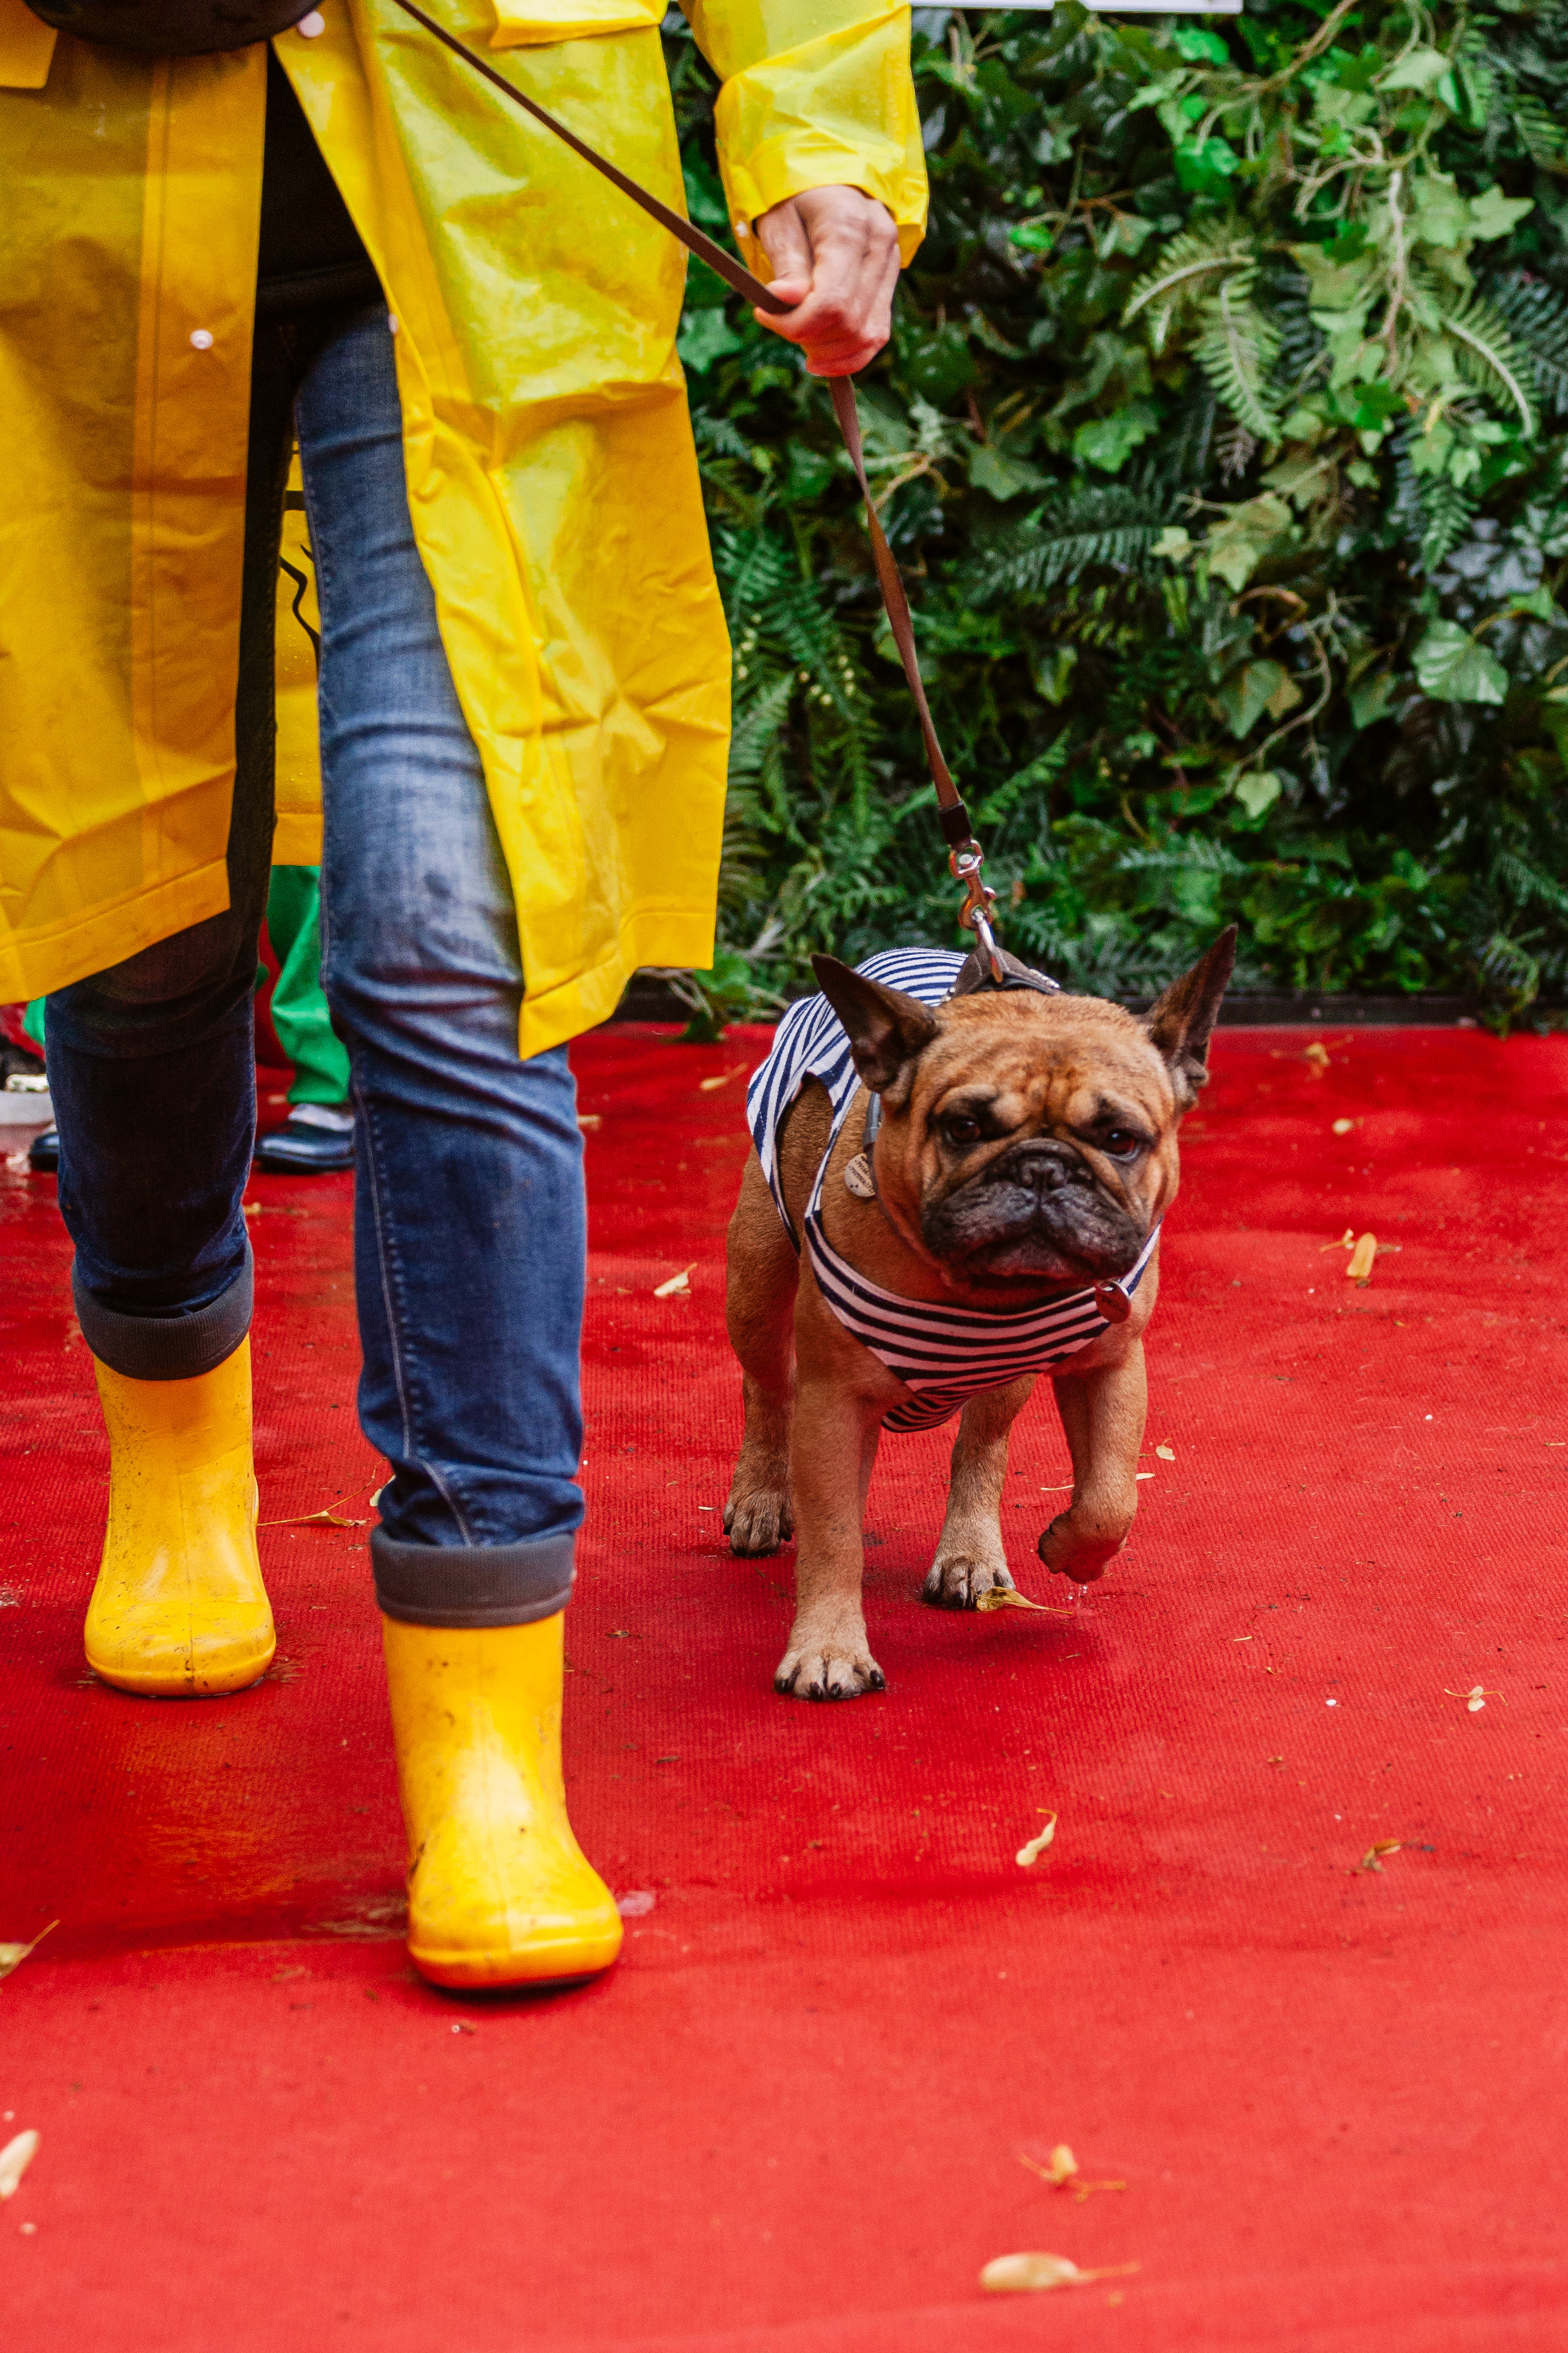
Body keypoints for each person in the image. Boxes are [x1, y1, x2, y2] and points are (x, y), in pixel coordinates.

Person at [0, 0, 924, 1990]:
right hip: (60, 212)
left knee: (445, 927)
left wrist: (820, 136)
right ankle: (174, 1462)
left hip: (475, 225)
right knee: (141, 906)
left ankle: (490, 1739)